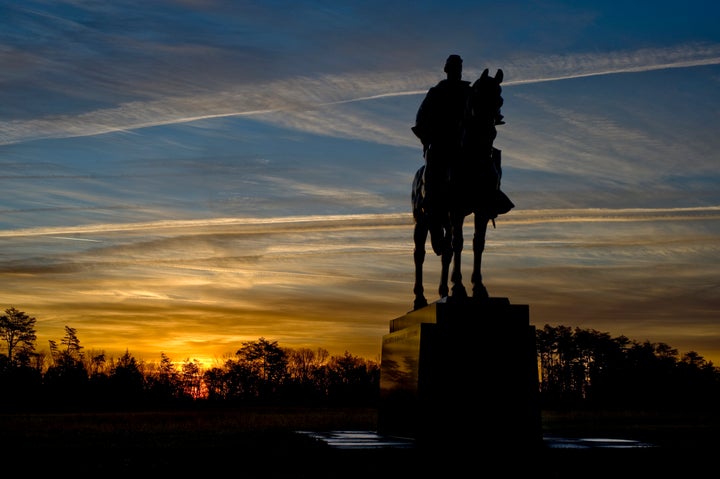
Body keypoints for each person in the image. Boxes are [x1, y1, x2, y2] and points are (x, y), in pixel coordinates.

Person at [411, 54, 471, 253]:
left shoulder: (468, 92)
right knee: (434, 165)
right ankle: (429, 202)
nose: (457, 70)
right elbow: (421, 118)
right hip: (441, 143)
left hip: (463, 145)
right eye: (453, 67)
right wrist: (431, 136)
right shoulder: (436, 92)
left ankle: (491, 195)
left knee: (488, 158)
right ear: (447, 70)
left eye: (459, 67)